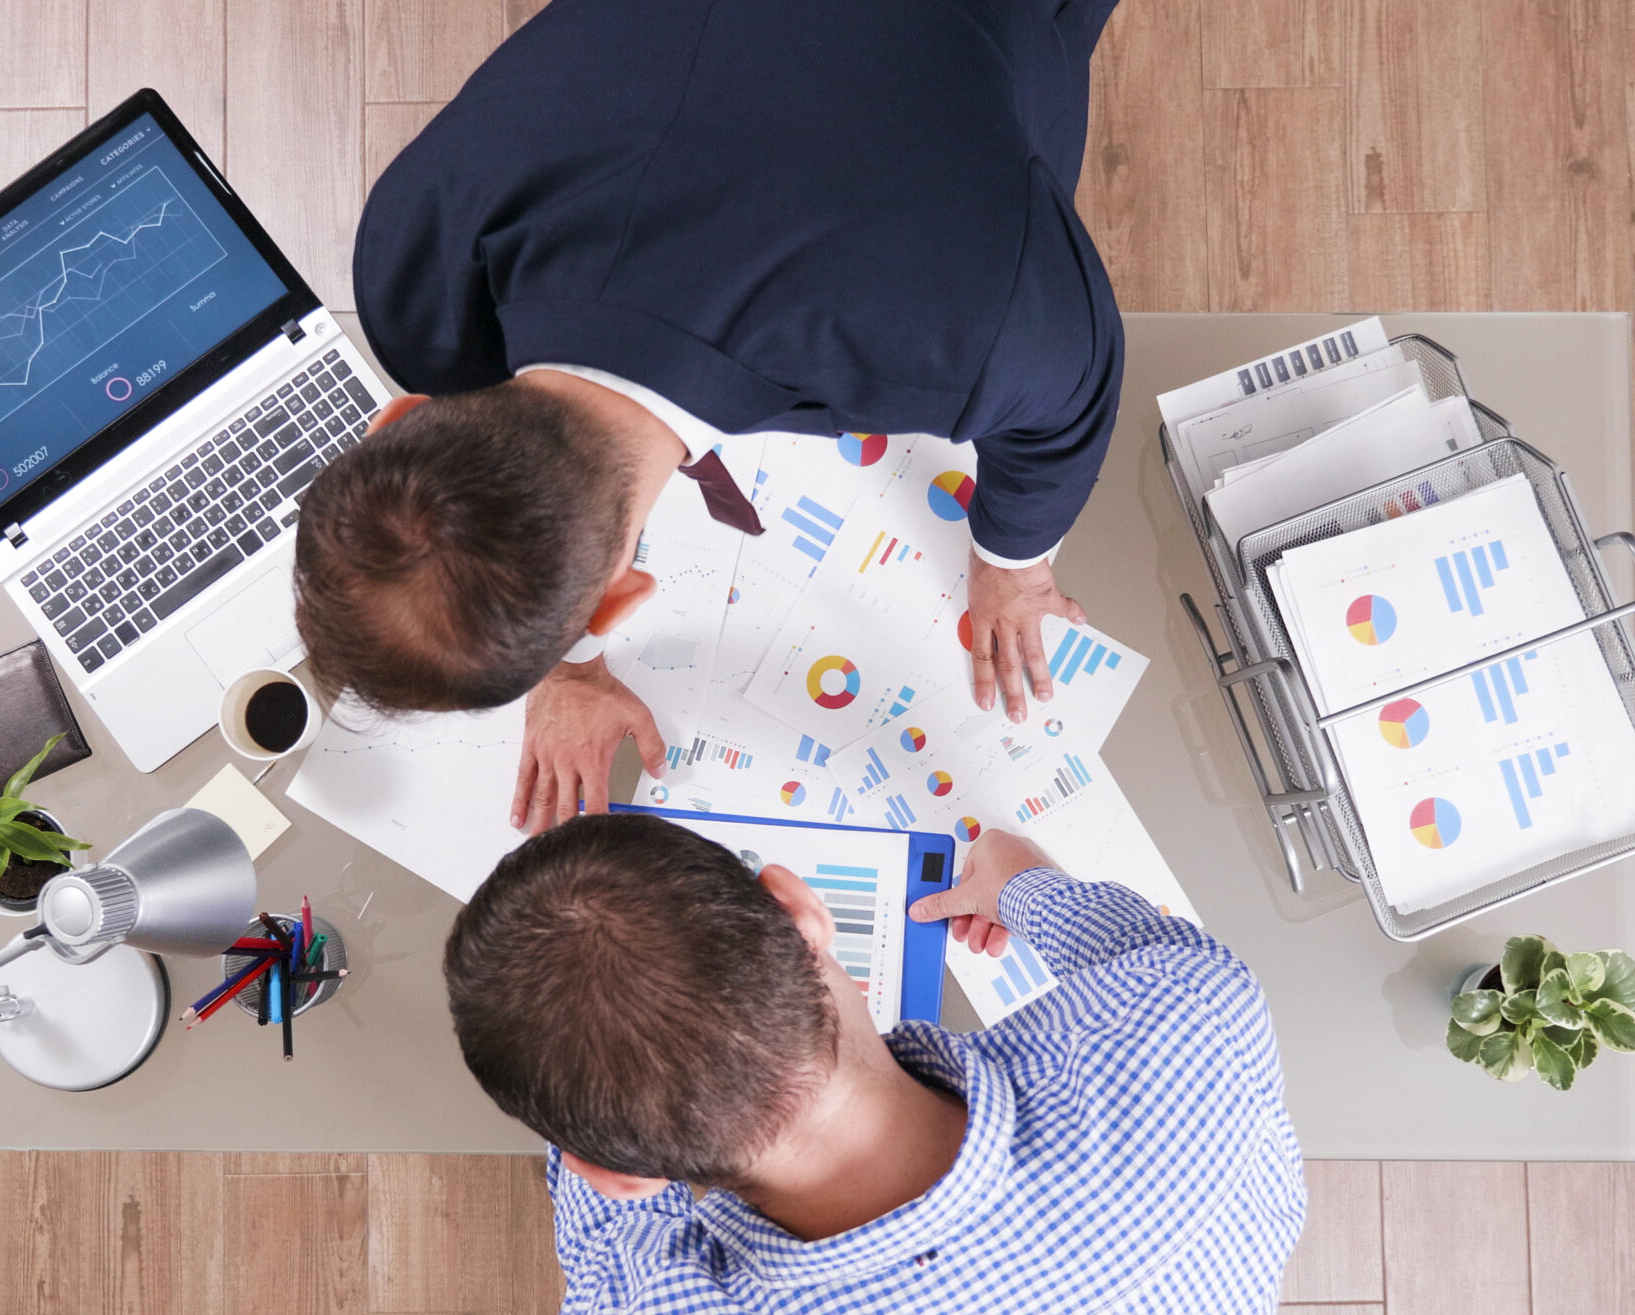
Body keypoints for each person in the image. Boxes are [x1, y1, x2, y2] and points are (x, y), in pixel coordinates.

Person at [296, 0, 1127, 833]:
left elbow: (1071, 400)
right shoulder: (416, 268)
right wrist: (567, 660)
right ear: (393, 419)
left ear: (622, 600)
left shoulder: (980, 326)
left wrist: (1014, 567)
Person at [443, 814, 1304, 1315]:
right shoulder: (1197, 1031)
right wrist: (1025, 888)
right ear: (801, 910)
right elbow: (1155, 955)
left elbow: (611, 1237)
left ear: (611, 1172)